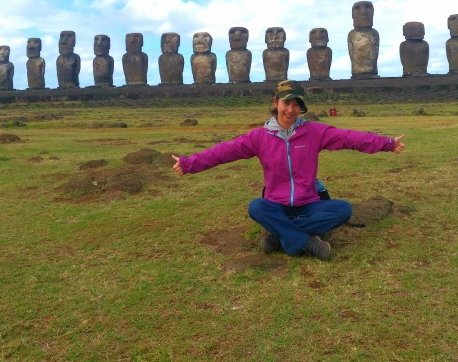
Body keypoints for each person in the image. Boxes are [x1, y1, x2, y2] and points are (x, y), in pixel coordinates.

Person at [171, 79, 405, 261]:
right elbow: (224, 151)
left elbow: (350, 138)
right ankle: (308, 242)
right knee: (257, 207)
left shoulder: (314, 132)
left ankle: (280, 235)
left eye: (296, 105)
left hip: (309, 203)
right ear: (276, 103)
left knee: (342, 210)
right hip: (277, 204)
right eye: (286, 103)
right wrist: (189, 163)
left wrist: (387, 143)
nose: (291, 110)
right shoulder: (260, 137)